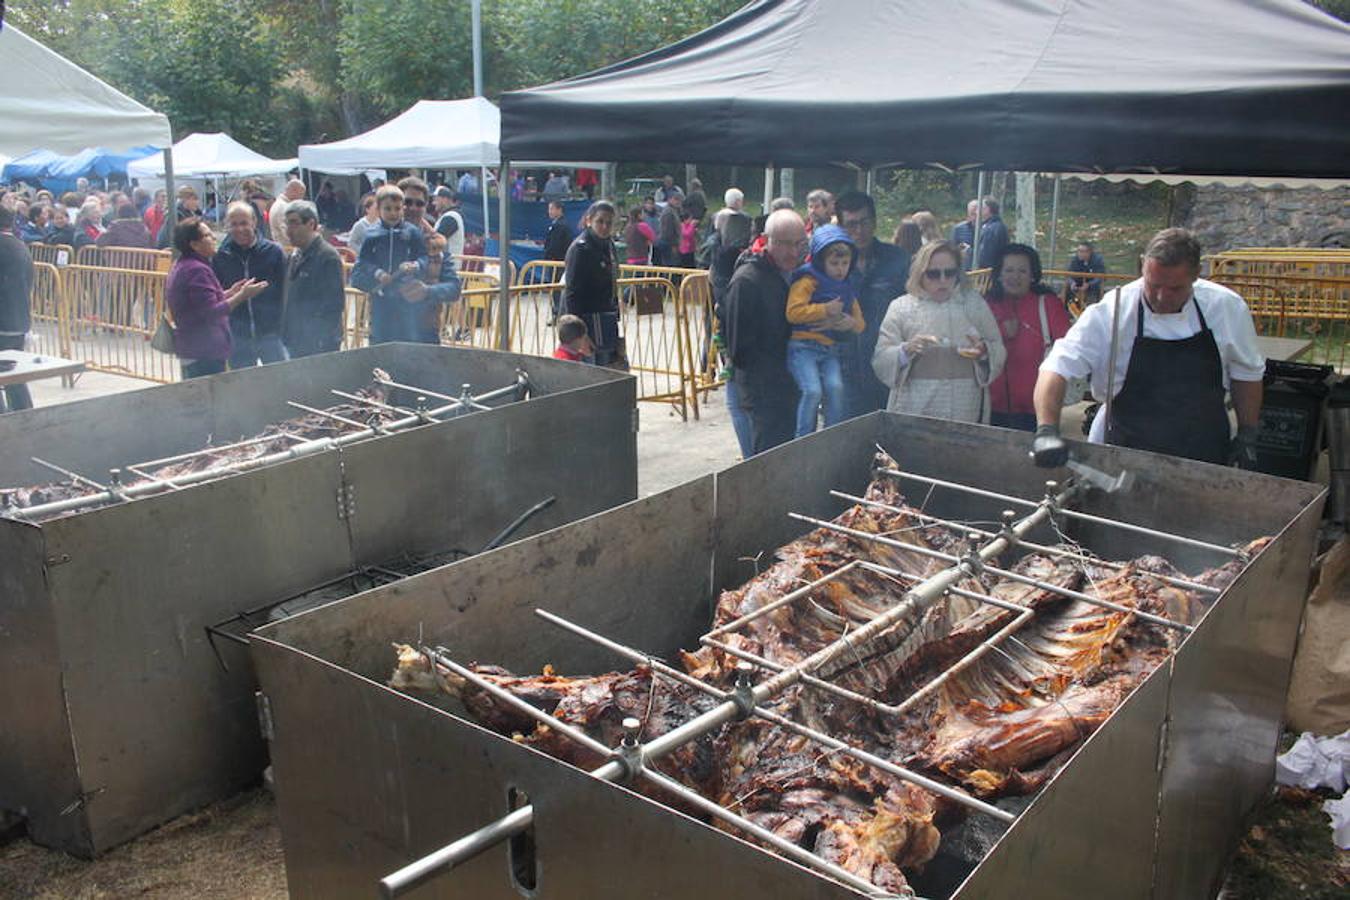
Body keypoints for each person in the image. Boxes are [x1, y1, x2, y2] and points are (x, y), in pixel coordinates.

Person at [1033, 228, 1265, 468]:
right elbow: (1056, 368)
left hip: (1203, 446)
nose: (1162, 297)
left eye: (1175, 288)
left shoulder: (1226, 307)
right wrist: (1047, 430)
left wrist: (1247, 434)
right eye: (1154, 285)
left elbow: (1247, 373)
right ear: (1143, 266)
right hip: (1125, 446)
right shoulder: (1112, 311)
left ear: (1196, 274)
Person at [872, 240, 1006, 423]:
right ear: (920, 273)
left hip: (964, 406)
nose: (943, 280)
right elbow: (881, 358)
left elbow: (997, 348)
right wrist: (906, 350)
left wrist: (984, 352)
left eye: (949, 273)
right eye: (933, 274)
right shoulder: (901, 308)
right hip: (914, 407)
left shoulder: (974, 305)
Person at [723, 209, 807, 454]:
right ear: (766, 240)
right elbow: (739, 350)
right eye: (784, 244)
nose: (793, 252)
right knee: (769, 458)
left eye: (798, 244)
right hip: (765, 392)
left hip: (791, 386)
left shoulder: (798, 274)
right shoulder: (747, 281)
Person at [834, 190, 911, 417]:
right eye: (852, 224)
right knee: (847, 435)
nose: (859, 230)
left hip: (888, 368)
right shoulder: (829, 265)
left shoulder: (898, 260)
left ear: (875, 222)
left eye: (864, 222)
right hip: (845, 372)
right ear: (841, 227)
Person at [786, 225, 864, 437]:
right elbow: (792, 312)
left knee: (836, 388)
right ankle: (803, 437)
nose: (840, 269)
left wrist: (849, 323)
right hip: (803, 347)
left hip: (829, 349)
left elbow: (860, 324)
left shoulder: (846, 286)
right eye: (834, 263)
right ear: (821, 261)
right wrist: (824, 310)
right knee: (812, 391)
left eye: (845, 263)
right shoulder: (808, 280)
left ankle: (831, 435)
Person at [165, 218, 268, 379]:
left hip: (195, 348)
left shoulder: (185, 265)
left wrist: (229, 293)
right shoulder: (196, 270)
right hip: (203, 352)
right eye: (207, 235)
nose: (214, 238)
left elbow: (200, 303)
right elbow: (210, 312)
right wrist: (242, 295)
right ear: (194, 245)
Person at [984, 244, 1070, 431]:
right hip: (990, 405)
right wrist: (1001, 332)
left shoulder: (1048, 304)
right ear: (999, 274)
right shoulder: (985, 305)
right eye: (1009, 270)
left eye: (1022, 271)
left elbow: (1068, 347)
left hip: (1038, 408)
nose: (1015, 277)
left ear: (1033, 275)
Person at [349, 185, 430, 344]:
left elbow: (423, 257)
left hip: (406, 295)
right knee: (380, 337)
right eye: (388, 209)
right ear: (378, 209)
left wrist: (415, 265)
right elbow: (363, 261)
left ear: (403, 208)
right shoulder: (371, 233)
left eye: (397, 208)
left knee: (407, 338)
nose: (393, 213)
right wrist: (378, 273)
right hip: (381, 296)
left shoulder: (412, 232)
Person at [212, 202, 288, 369]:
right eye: (234, 224)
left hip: (270, 334)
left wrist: (283, 326)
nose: (239, 229)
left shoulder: (274, 252)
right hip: (238, 336)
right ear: (227, 226)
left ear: (254, 222)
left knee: (280, 378)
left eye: (244, 223)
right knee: (243, 382)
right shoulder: (221, 256)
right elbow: (217, 294)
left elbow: (286, 291)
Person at [281, 201, 346, 358]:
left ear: (311, 224)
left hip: (318, 343)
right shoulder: (295, 255)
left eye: (294, 223)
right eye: (287, 224)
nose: (289, 231)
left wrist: (321, 338)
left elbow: (334, 304)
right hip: (295, 339)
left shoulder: (327, 257)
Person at [562, 200, 621, 366]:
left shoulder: (609, 245)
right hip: (586, 322)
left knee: (607, 371)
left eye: (609, 223)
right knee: (589, 372)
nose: (604, 227)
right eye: (600, 221)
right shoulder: (580, 249)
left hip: (606, 319)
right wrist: (578, 335)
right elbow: (572, 293)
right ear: (589, 221)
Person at [0, 206, 35, 411]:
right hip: (19, 319)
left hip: (3, 320)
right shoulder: (20, 245)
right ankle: (24, 414)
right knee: (15, 376)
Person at [543, 200, 574, 319]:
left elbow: (556, 245)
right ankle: (557, 312)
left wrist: (550, 256)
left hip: (558, 262)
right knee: (555, 289)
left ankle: (558, 313)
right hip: (555, 261)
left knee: (557, 289)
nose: (549, 212)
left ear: (559, 210)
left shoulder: (561, 225)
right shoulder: (556, 224)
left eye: (552, 209)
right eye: (549, 209)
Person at [1066, 240, 1107, 307]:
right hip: (1077, 285)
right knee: (1068, 292)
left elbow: (1101, 277)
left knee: (1092, 297)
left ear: (1089, 252)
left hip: (1092, 287)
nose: (1080, 253)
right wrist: (1072, 283)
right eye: (1079, 251)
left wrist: (1089, 284)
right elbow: (1068, 275)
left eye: (1082, 251)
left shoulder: (1097, 260)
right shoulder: (1074, 259)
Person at [975, 197, 1009, 271]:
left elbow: (986, 255)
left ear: (987, 209)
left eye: (979, 207)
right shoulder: (997, 226)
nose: (976, 211)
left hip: (989, 272)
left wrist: (969, 252)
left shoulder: (991, 229)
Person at [432, 187, 466, 259]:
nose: (433, 203)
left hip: (448, 264)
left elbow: (436, 241)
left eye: (435, 199)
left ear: (445, 199)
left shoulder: (451, 216)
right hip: (447, 263)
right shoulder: (450, 215)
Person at [269, 179, 306, 244]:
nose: (302, 198)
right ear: (293, 191)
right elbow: (287, 233)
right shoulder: (284, 207)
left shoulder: (279, 204)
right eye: (301, 194)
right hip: (286, 247)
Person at [951, 200, 978, 271]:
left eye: (977, 213)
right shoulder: (958, 229)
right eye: (972, 213)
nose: (975, 217)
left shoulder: (987, 229)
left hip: (982, 269)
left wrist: (969, 250)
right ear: (968, 213)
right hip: (964, 269)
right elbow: (952, 250)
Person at [657, 193, 683, 267]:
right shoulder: (668, 212)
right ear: (669, 199)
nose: (678, 202)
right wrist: (673, 245)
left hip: (669, 243)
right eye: (675, 199)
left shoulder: (674, 210)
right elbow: (668, 231)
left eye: (679, 200)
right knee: (670, 265)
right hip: (668, 243)